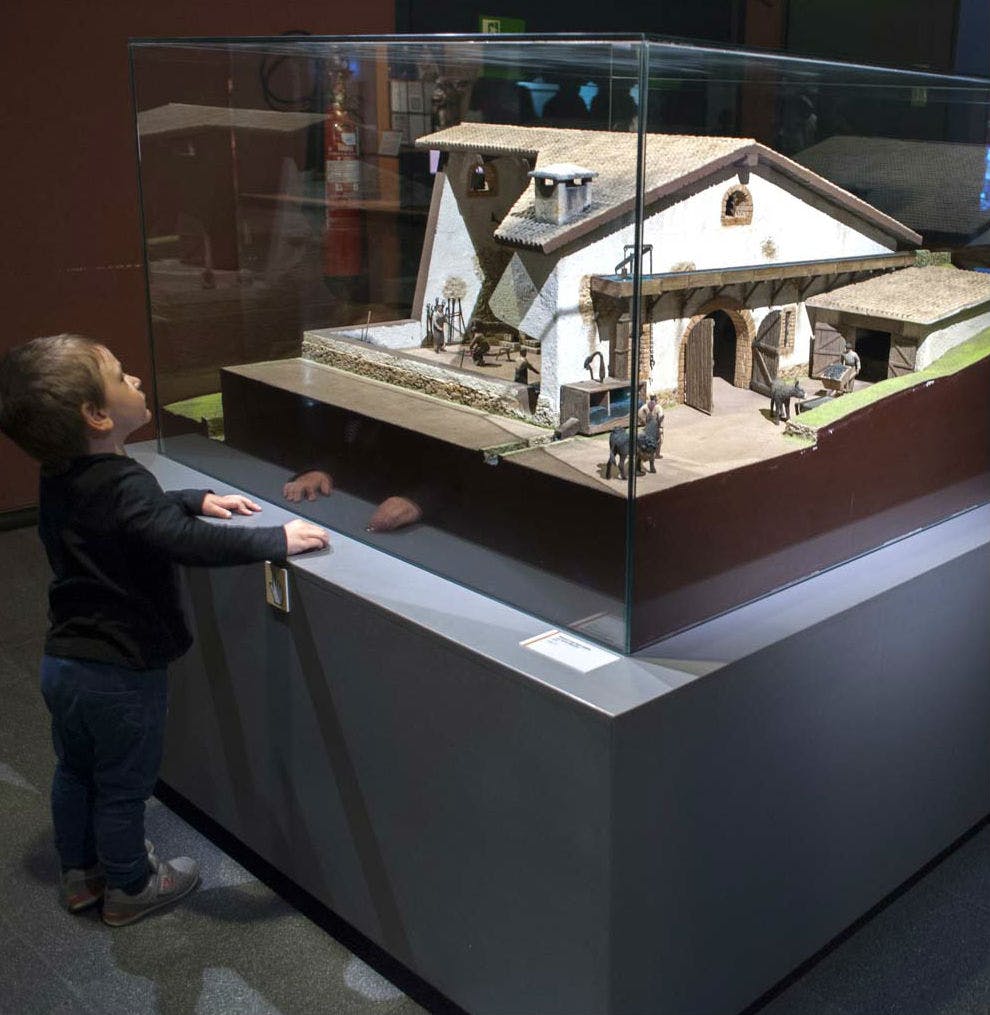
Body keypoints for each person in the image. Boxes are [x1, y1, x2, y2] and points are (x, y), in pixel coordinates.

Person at [0, 333, 329, 927]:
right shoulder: (125, 485)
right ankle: (131, 884)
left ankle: (79, 874)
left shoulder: (60, 473)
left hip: (64, 661)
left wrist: (191, 497)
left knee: (74, 768)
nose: (139, 384)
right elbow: (179, 543)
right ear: (97, 416)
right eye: (123, 378)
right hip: (122, 670)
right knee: (125, 785)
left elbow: (124, 521)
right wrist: (274, 540)